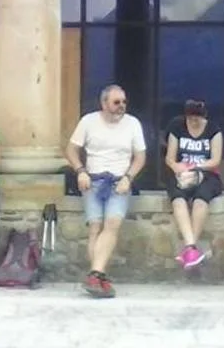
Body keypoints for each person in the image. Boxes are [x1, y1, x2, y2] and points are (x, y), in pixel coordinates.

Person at [65, 84, 147, 299]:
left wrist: (129, 178)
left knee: (112, 225)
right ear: (104, 103)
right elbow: (71, 150)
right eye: (116, 102)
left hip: (120, 182)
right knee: (95, 228)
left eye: (124, 102)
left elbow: (140, 157)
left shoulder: (132, 123)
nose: (122, 106)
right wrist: (80, 171)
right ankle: (98, 277)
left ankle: (95, 275)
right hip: (92, 181)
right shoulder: (88, 121)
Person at [164, 99, 224, 269]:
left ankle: (190, 248)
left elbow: (215, 160)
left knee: (200, 200)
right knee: (178, 199)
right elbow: (170, 158)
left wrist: (195, 166)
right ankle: (191, 248)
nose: (193, 122)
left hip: (207, 173)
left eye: (197, 119)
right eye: (190, 119)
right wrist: (178, 167)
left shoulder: (213, 130)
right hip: (182, 172)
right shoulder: (177, 128)